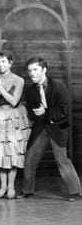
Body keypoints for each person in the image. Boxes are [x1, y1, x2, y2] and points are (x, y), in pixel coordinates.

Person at [18, 57, 82, 202]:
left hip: (58, 126)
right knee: (30, 158)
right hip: (40, 127)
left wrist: (46, 113)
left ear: (44, 70)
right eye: (30, 71)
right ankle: (27, 191)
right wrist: (37, 115)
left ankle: (76, 192)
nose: (32, 74)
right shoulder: (30, 90)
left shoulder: (59, 87)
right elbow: (31, 112)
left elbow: (64, 111)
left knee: (62, 159)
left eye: (35, 70)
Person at [0, 51, 31, 199]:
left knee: (13, 151)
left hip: (15, 116)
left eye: (4, 61)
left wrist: (1, 88)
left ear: (10, 63)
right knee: (1, 152)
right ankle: (2, 186)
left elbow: (14, 101)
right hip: (0, 116)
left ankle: (11, 186)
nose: (0, 64)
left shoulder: (18, 80)